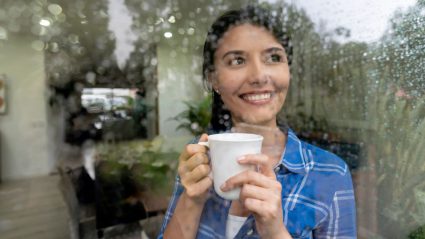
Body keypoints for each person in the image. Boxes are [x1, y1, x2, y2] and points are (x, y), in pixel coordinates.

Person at [158, 5, 356, 239]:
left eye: (273, 58)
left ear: (288, 70)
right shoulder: (198, 158)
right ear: (213, 79)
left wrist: (275, 231)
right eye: (237, 60)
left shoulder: (330, 173)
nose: (259, 76)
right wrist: (192, 199)